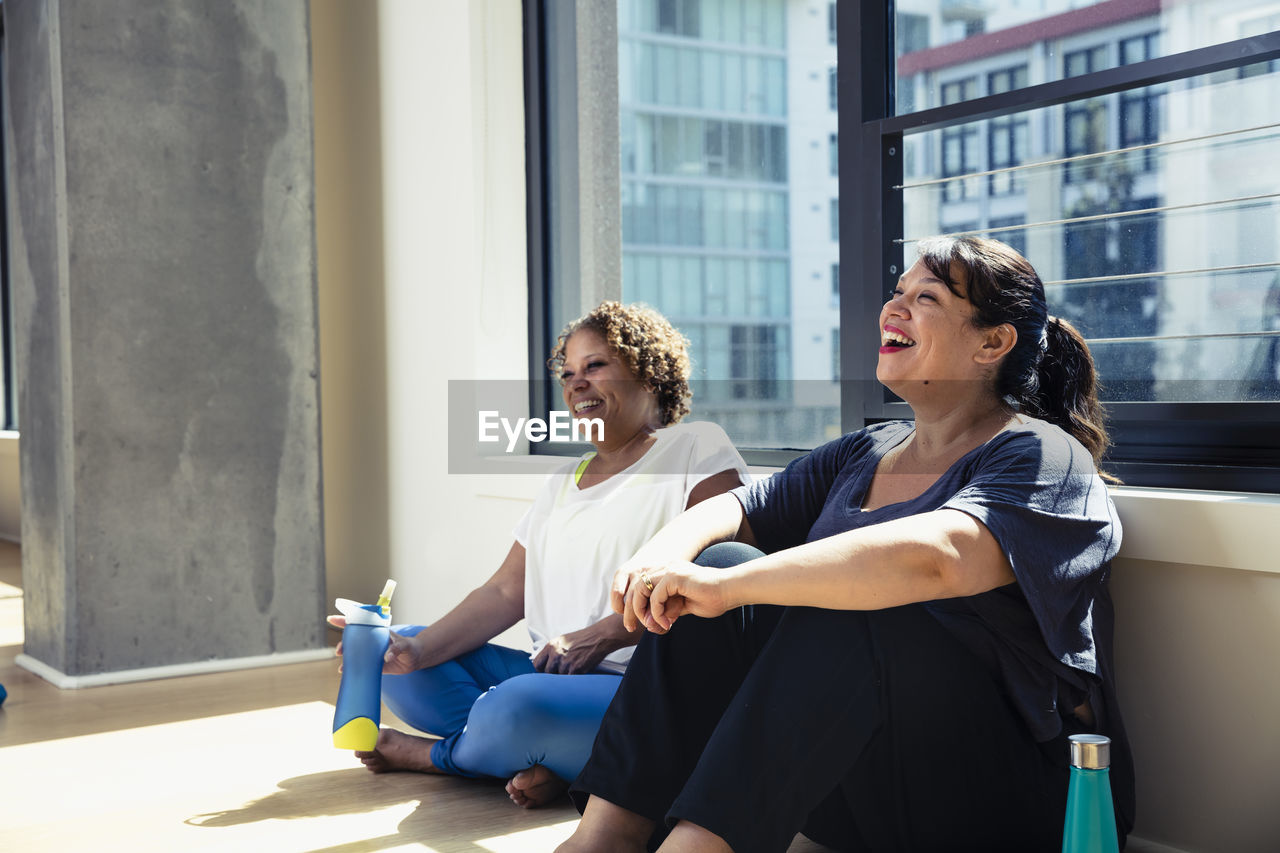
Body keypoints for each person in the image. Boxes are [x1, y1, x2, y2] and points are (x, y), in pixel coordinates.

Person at [559, 236, 1135, 853]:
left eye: (927, 298)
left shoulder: (1042, 455)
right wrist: (663, 555)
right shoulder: (868, 451)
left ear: (991, 343)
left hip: (1014, 799)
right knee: (720, 556)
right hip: (868, 786)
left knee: (859, 608)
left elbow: (935, 559)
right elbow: (738, 508)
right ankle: (604, 839)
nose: (894, 308)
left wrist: (726, 589)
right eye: (897, 294)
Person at [328, 301, 749, 809]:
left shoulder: (694, 447)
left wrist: (602, 634)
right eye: (568, 373)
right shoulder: (559, 482)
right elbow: (505, 591)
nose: (576, 384)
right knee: (410, 655)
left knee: (516, 707)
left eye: (595, 366)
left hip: (640, 687)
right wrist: (415, 652)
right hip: (551, 675)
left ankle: (441, 755)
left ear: (649, 374)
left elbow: (722, 570)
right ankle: (552, 763)